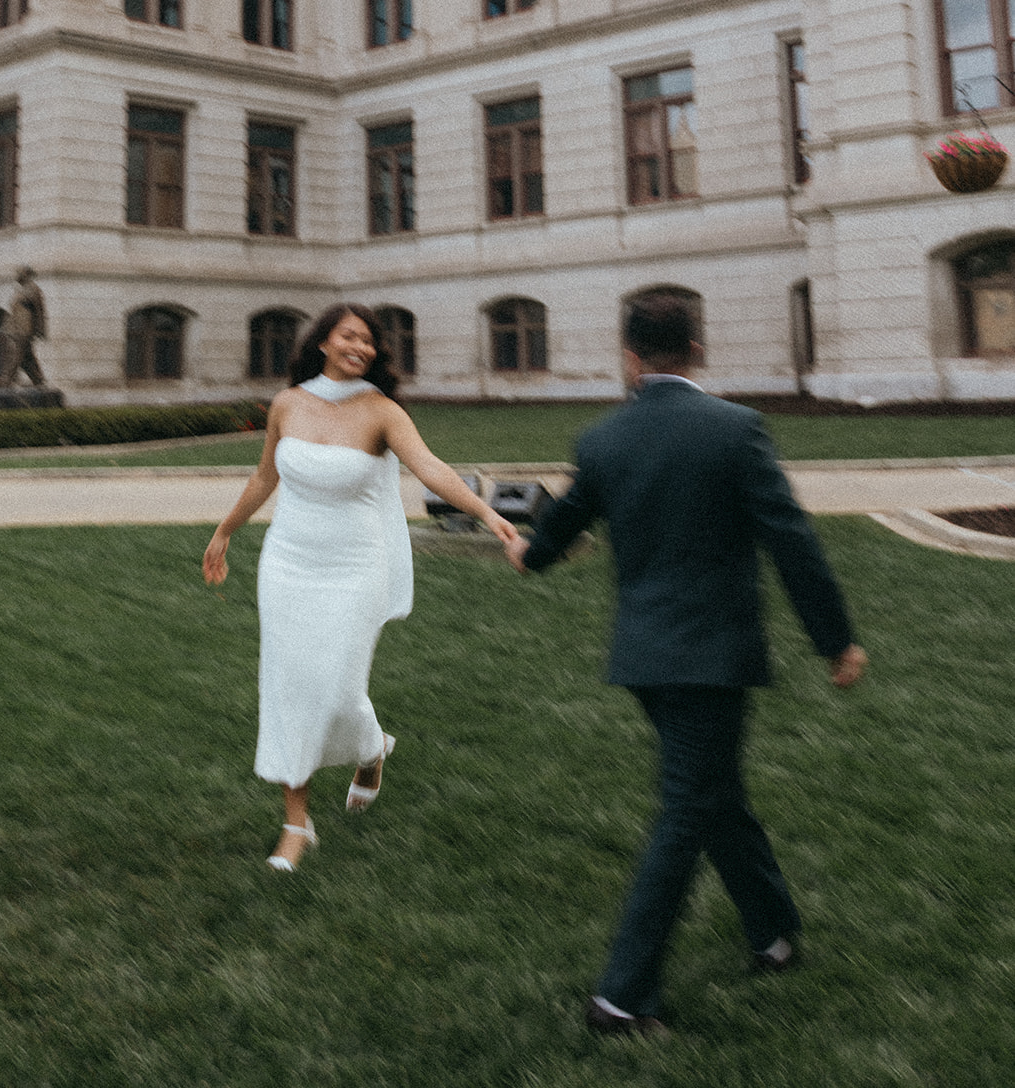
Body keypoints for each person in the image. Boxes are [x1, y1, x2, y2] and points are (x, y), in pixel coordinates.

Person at [505, 292, 867, 1039]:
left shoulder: (601, 439)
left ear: (627, 357)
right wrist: (834, 639)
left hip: (643, 658)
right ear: (698, 351)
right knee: (688, 809)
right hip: (711, 658)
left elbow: (561, 524)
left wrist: (526, 554)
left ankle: (771, 932)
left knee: (714, 796)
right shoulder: (736, 430)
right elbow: (790, 540)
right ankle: (620, 998)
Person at [203, 302, 519, 870]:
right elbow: (264, 476)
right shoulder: (288, 403)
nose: (361, 347)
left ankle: (370, 749)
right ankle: (295, 822)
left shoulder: (381, 412)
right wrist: (225, 532)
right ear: (322, 341)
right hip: (289, 564)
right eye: (349, 335)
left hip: (355, 568)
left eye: (369, 340)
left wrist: (487, 513)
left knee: (339, 691)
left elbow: (431, 468)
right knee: (288, 687)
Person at [2, 267, 47, 387]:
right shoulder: (20, 290)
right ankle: (39, 380)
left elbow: (39, 310)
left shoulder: (33, 289)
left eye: (18, 273)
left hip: (26, 329)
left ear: (25, 274)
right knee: (27, 358)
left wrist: (40, 330)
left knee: (16, 354)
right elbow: (14, 311)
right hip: (16, 328)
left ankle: (7, 380)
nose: (16, 275)